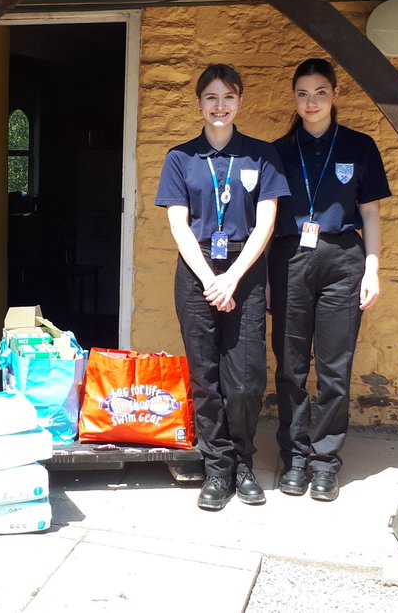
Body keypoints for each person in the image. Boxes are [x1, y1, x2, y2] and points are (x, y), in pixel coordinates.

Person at [155, 64, 290, 511]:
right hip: (197, 271)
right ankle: (216, 467)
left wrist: (232, 276)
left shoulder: (261, 154)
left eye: (228, 97)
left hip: (245, 268)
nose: (219, 106)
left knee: (247, 378)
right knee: (205, 377)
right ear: (198, 103)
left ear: (239, 102)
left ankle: (243, 463)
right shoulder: (180, 157)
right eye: (211, 98)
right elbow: (178, 223)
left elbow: (266, 221)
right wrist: (211, 278)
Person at [268, 58, 391, 502]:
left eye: (320, 92)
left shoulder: (360, 147)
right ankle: (295, 456)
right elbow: (265, 221)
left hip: (343, 260)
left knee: (335, 369)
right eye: (303, 93)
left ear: (335, 95)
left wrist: (372, 269)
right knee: (291, 367)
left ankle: (325, 460)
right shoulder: (277, 152)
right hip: (290, 260)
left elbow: (371, 212)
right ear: (294, 98)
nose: (311, 101)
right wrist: (265, 276)